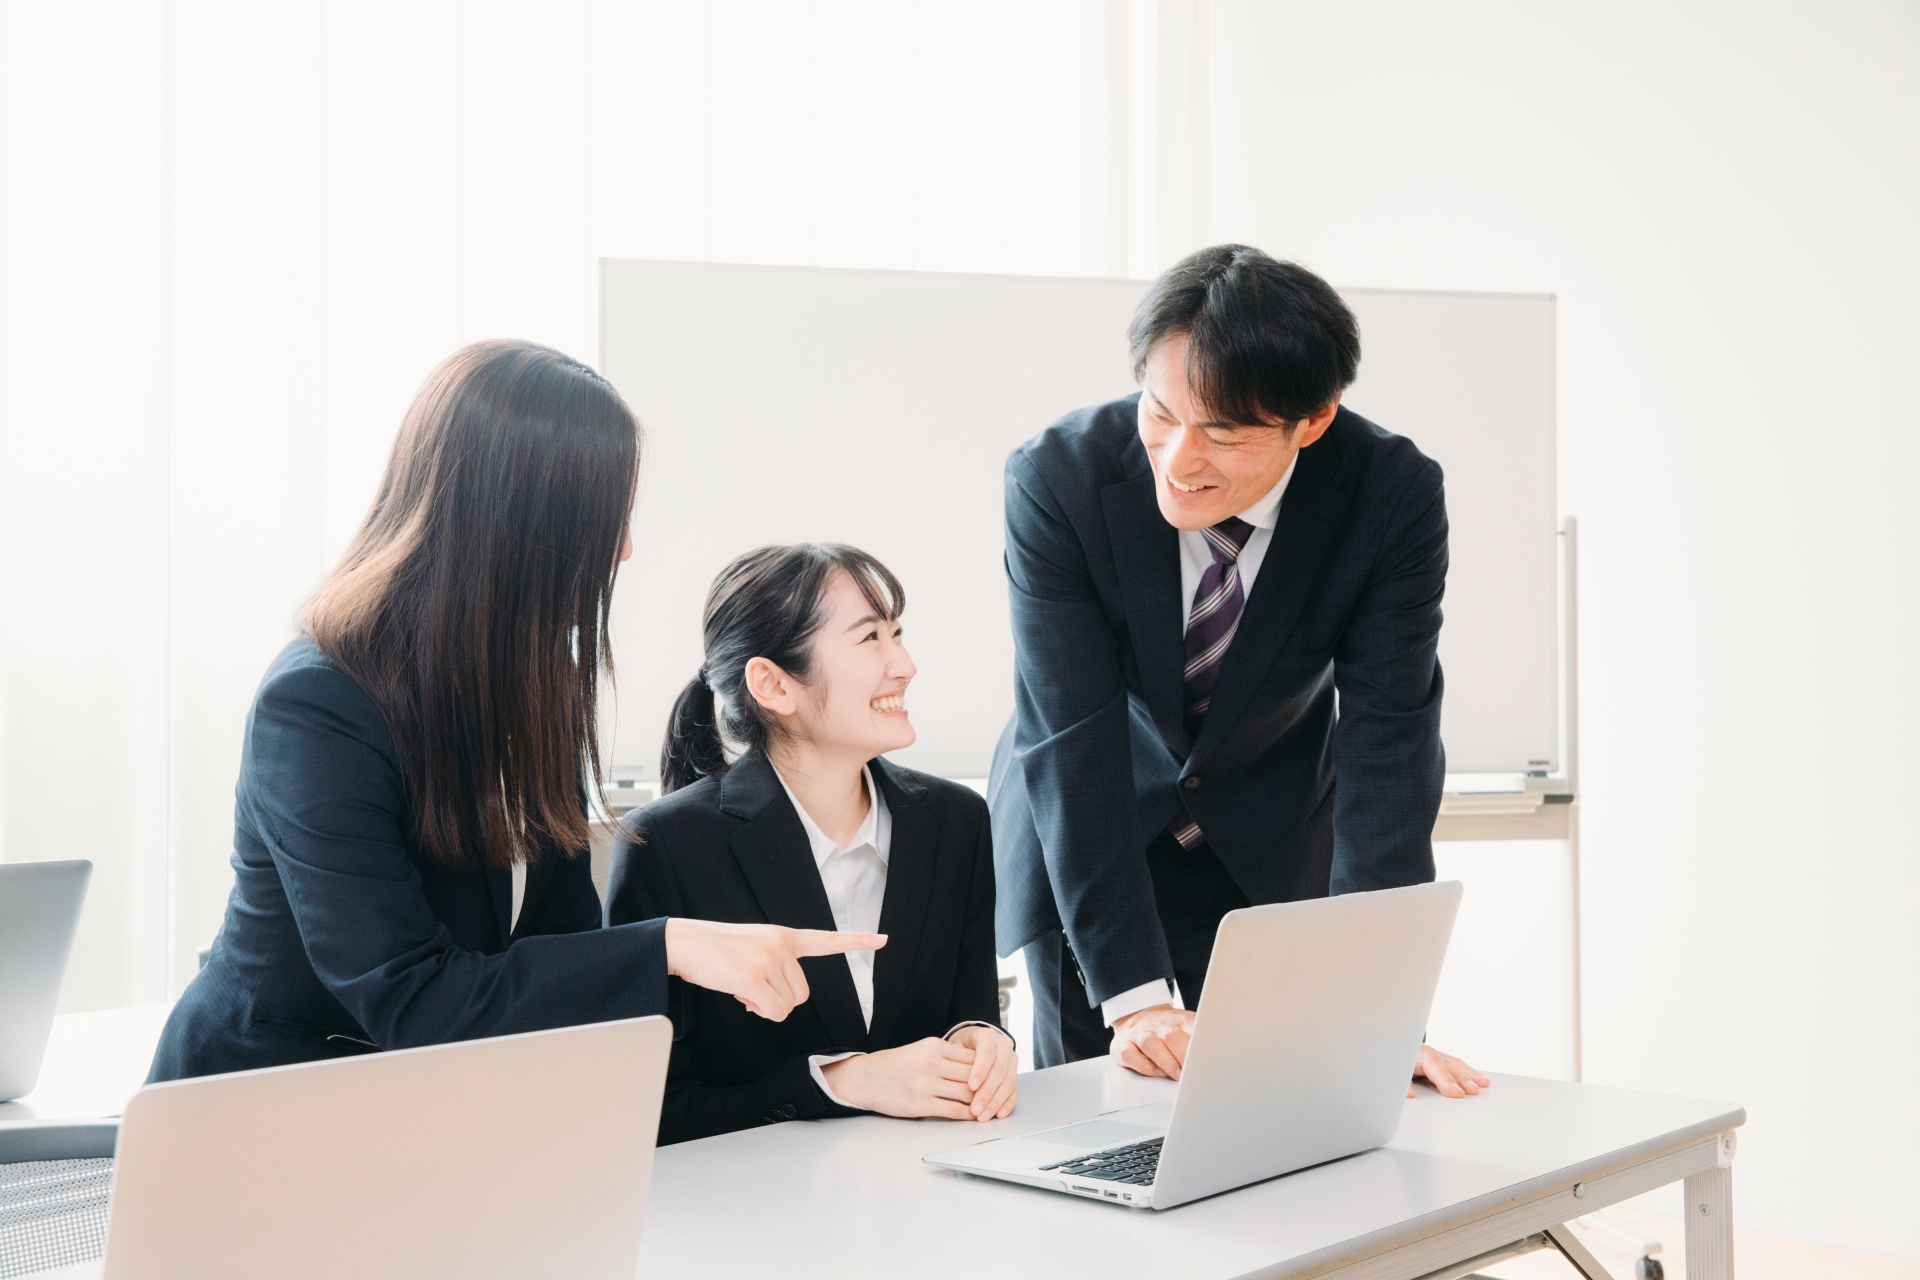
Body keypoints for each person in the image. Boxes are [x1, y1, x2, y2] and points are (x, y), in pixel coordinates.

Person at [148, 340, 881, 1083]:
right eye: (604, 519)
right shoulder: (318, 706)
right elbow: (413, 999)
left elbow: (561, 947)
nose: (623, 549)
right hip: (259, 1112)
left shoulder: (534, 681)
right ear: (517, 526)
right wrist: (670, 946)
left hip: (431, 1111)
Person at [988, 245, 1488, 1097]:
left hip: (1266, 831)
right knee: (1089, 1116)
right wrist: (1137, 1000)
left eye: (1223, 433)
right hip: (1091, 836)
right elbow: (1073, 735)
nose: (1180, 460)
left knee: (1287, 1109)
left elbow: (1390, 744)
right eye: (1161, 411)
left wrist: (1378, 1009)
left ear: (1314, 420)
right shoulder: (1059, 478)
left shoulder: (1388, 493)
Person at [606, 544, 1016, 1144]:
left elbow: (966, 1011)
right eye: (869, 639)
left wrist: (981, 1042)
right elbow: (649, 1112)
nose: (904, 664)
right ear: (773, 685)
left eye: (897, 633)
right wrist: (840, 1081)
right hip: (759, 1215)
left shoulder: (955, 822)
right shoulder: (668, 847)